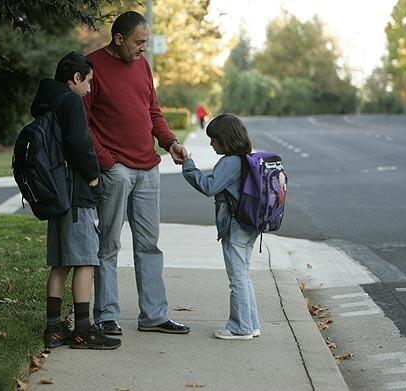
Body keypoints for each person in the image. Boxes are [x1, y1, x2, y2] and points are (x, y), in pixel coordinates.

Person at [84, 11, 190, 335]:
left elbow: (152, 111)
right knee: (109, 244)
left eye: (145, 42)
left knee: (149, 245)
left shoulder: (142, 65)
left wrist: (170, 142)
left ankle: (154, 315)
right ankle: (106, 315)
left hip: (148, 167)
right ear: (119, 39)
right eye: (139, 42)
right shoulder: (91, 66)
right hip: (117, 171)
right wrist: (107, 162)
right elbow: (82, 122)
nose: (144, 48)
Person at [34, 52, 121, 350]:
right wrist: (93, 175)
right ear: (75, 78)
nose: (89, 89)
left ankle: (54, 329)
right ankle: (84, 330)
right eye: (88, 83)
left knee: (59, 264)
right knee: (86, 260)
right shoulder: (70, 101)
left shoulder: (47, 101)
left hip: (55, 190)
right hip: (75, 191)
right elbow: (79, 142)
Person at [181, 113, 260, 340]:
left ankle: (240, 327)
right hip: (249, 224)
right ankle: (251, 324)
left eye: (214, 139)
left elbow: (209, 187)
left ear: (225, 139)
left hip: (235, 226)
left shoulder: (229, 162)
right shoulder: (247, 159)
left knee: (237, 279)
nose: (211, 143)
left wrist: (189, 166)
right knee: (243, 276)